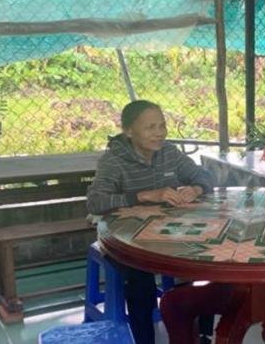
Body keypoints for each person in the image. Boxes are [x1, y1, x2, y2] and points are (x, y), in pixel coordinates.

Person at [87, 100, 214, 344]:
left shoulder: (169, 153)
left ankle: (203, 335)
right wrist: (144, 196)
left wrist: (196, 188)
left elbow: (204, 175)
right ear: (128, 131)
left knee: (204, 261)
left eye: (162, 125)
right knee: (140, 280)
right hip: (124, 239)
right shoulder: (113, 161)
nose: (159, 133)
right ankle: (145, 339)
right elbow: (95, 203)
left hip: (169, 233)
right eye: (150, 127)